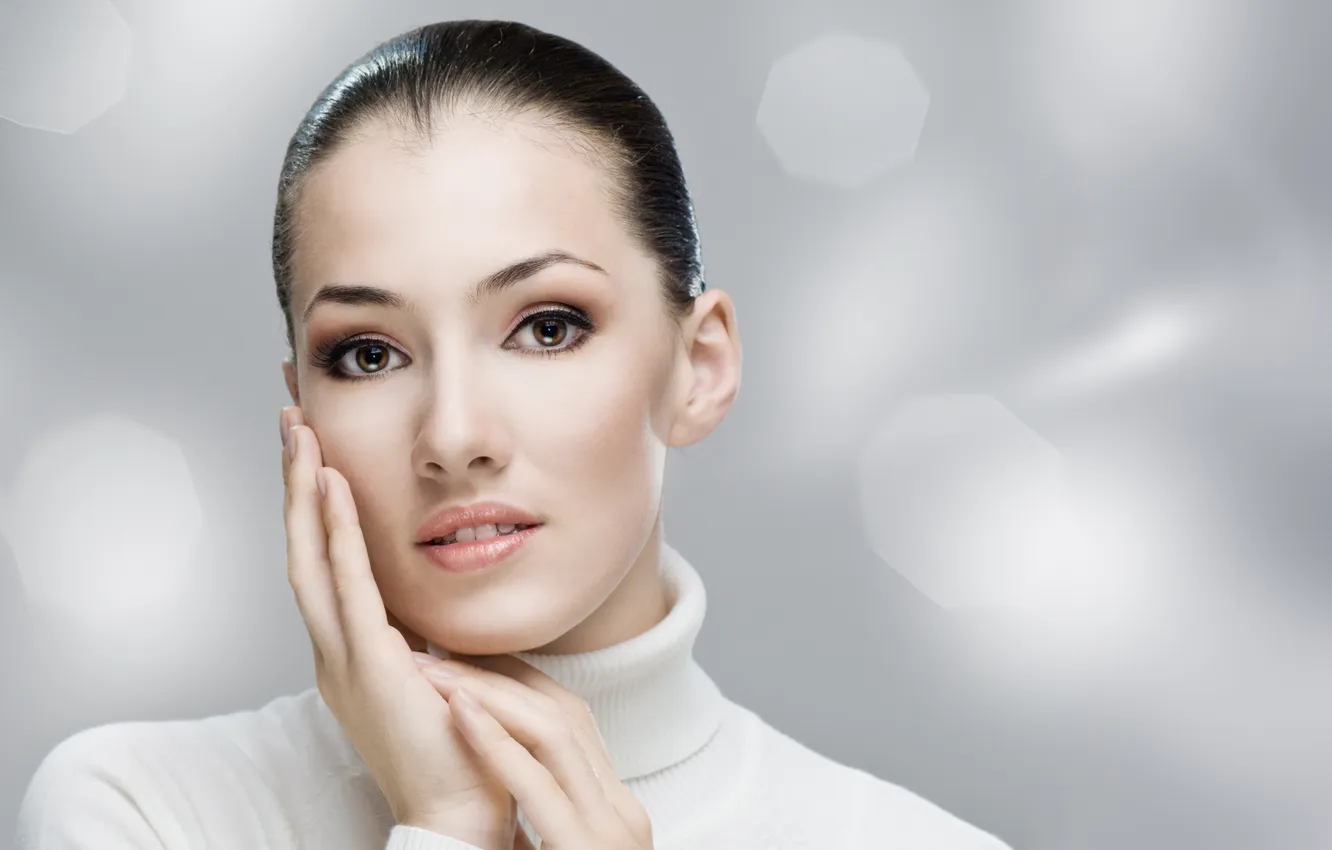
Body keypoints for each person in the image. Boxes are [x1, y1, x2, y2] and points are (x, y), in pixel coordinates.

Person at [16, 19, 1011, 850]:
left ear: (698, 365)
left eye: (546, 327)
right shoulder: (145, 809)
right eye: (368, 353)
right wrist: (450, 824)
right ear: (302, 412)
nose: (454, 436)